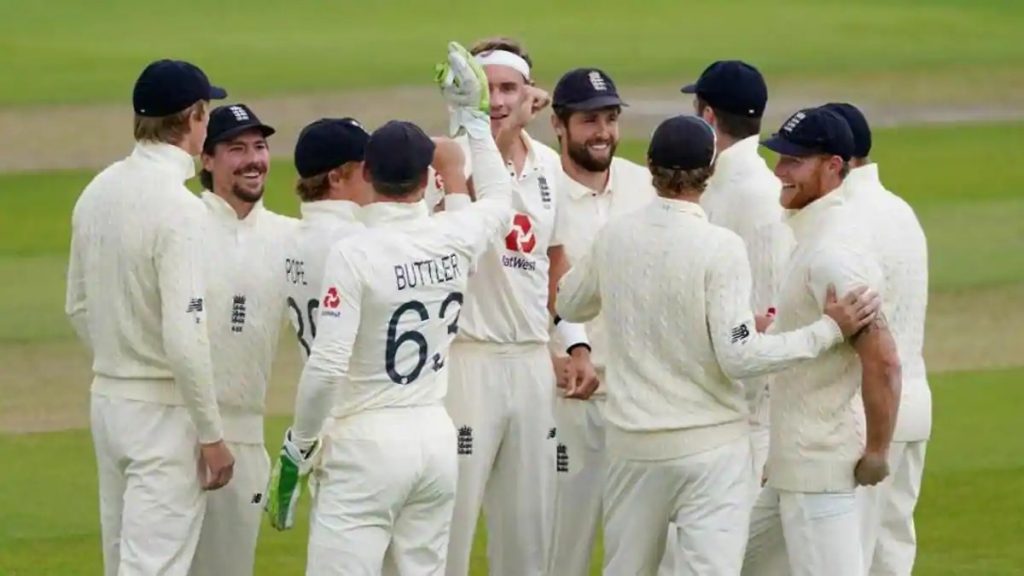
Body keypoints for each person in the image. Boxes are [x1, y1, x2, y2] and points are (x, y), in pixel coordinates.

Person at [555, 114, 882, 575]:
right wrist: (827, 330)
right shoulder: (720, 247)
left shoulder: (616, 236)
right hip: (711, 454)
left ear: (650, 166)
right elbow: (740, 356)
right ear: (710, 171)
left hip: (633, 449)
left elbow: (569, 301)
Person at [265, 42, 515, 575]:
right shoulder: (454, 234)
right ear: (427, 181)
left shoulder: (354, 253)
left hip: (365, 438)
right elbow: (498, 198)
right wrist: (472, 119)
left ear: (368, 175)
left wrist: (298, 449)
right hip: (433, 435)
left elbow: (328, 364)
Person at [431, 36, 597, 576]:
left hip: (529, 367)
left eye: (510, 88)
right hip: (466, 359)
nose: (498, 100)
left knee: (529, 533)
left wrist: (572, 342)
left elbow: (555, 268)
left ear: (530, 95)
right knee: (450, 525)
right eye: (488, 89)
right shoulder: (447, 158)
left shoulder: (550, 166)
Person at [64, 58, 233, 576]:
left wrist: (121, 359)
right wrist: (211, 435)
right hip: (161, 413)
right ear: (194, 117)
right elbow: (186, 337)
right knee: (153, 567)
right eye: (207, 115)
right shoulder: (181, 210)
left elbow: (77, 307)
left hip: (109, 401)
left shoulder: (97, 190)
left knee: (122, 562)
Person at [751, 107, 903, 576]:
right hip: (791, 467)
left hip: (819, 471)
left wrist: (878, 452)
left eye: (795, 161)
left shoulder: (834, 252)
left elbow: (884, 361)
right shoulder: (815, 235)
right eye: (779, 158)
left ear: (834, 166)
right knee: (717, 564)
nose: (780, 171)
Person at [545, 66, 655, 576]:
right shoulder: (540, 194)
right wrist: (559, 352)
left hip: (638, 399)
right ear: (559, 125)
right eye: (590, 120)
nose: (604, 132)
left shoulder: (645, 185)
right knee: (562, 546)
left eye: (610, 118)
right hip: (566, 400)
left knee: (633, 552)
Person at [189, 103, 297, 576]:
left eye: (259, 146)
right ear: (207, 160)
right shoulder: (183, 224)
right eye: (236, 148)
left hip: (246, 439)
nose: (253, 159)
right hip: (176, 432)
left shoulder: (289, 237)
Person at [823, 102, 930, 576]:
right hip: (913, 407)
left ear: (837, 159)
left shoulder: (847, 219)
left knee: (852, 559)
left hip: (868, 415)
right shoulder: (900, 208)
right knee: (892, 555)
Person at [284, 117, 373, 363]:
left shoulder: (293, 238)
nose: (376, 176)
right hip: (360, 393)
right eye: (367, 169)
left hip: (319, 390)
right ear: (335, 179)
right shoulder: (355, 242)